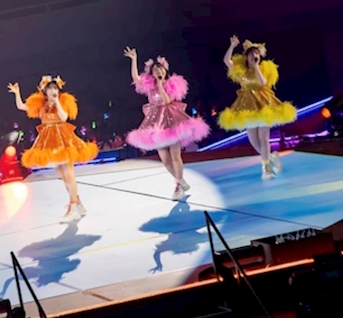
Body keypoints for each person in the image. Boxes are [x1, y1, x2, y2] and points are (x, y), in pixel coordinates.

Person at [8, 75, 99, 222]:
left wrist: (57, 101)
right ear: (45, 91)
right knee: (63, 175)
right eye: (49, 88)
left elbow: (64, 118)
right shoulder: (41, 105)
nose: (52, 91)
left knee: (69, 174)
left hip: (64, 140)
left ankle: (73, 207)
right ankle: (78, 203)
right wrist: (17, 93)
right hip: (49, 142)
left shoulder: (62, 101)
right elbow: (22, 106)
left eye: (55, 88)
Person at [123, 48, 210, 199]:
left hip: (171, 120)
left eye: (160, 68)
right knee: (165, 160)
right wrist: (134, 59)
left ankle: (178, 186)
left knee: (175, 156)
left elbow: (166, 100)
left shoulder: (172, 84)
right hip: (156, 122)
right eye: (155, 70)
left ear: (165, 70)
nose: (158, 71)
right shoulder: (150, 86)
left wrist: (160, 84)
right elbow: (136, 78)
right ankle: (181, 181)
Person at [218, 36, 297, 179]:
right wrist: (232, 46)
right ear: (246, 57)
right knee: (253, 140)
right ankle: (271, 158)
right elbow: (226, 61)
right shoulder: (241, 70)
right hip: (247, 106)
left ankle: (266, 170)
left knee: (263, 137)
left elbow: (262, 83)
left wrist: (256, 68)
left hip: (263, 104)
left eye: (256, 53)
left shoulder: (263, 68)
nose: (254, 55)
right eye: (251, 53)